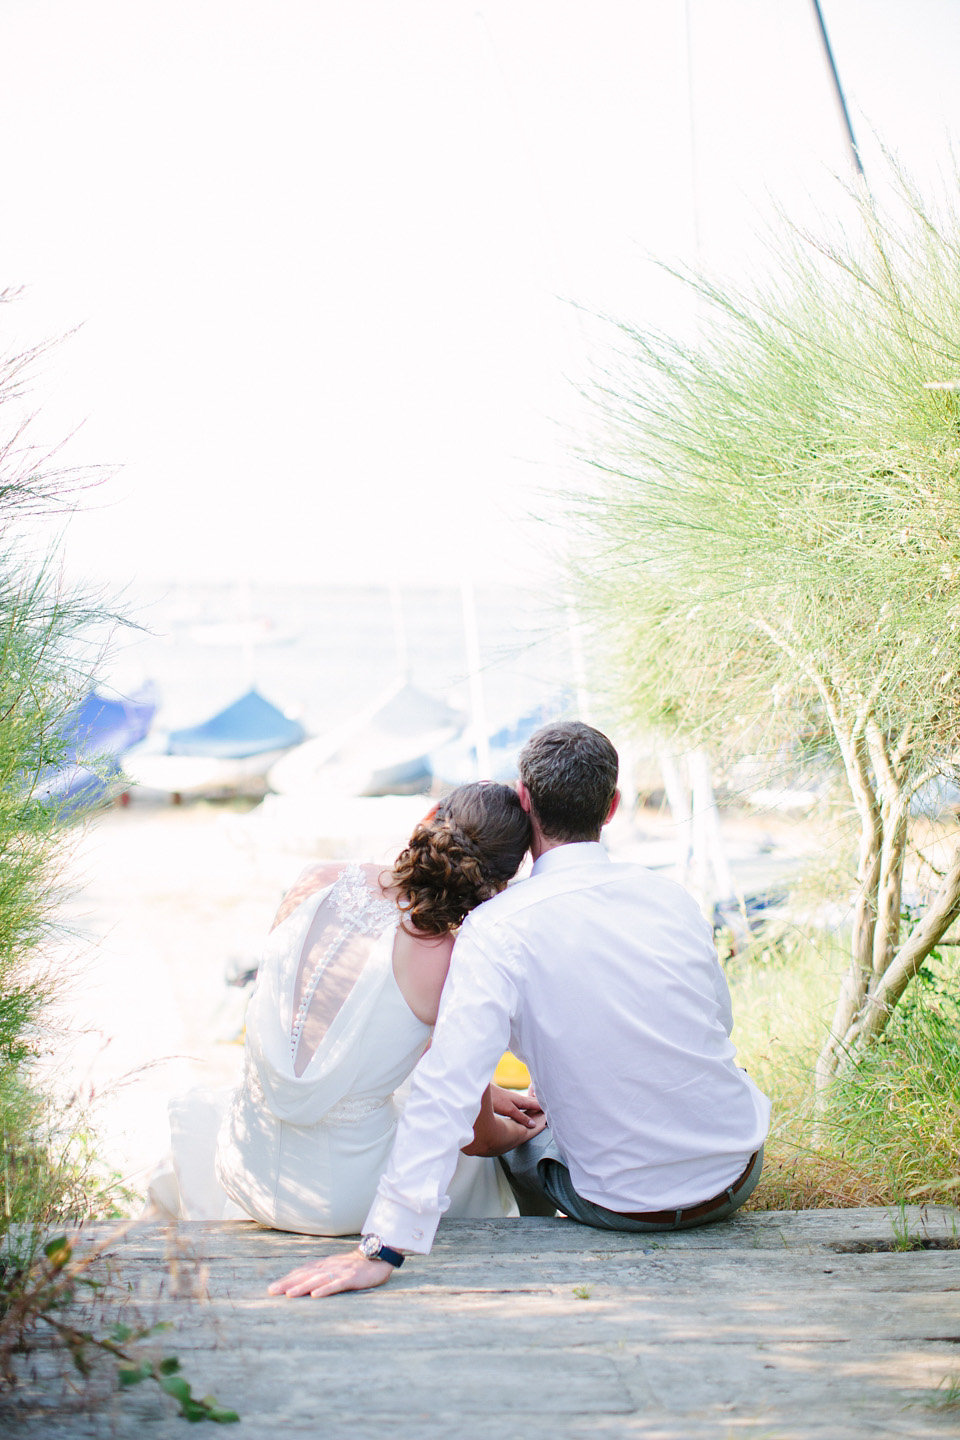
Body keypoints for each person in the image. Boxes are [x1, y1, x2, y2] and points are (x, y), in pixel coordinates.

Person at [269, 721, 771, 1298]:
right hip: (736, 1175)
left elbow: (446, 1092)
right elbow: (716, 1023)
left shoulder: (495, 930)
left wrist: (382, 1247)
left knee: (524, 1133)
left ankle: (538, 1236)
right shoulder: (672, 898)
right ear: (611, 808)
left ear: (525, 798)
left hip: (621, 1209)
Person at [146, 781, 544, 1233]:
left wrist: (487, 1095)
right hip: (345, 1201)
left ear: (428, 816)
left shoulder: (313, 879)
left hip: (243, 1166)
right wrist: (520, 1134)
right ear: (496, 885)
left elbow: (340, 1031)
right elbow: (475, 1136)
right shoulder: (448, 961)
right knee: (461, 1152)